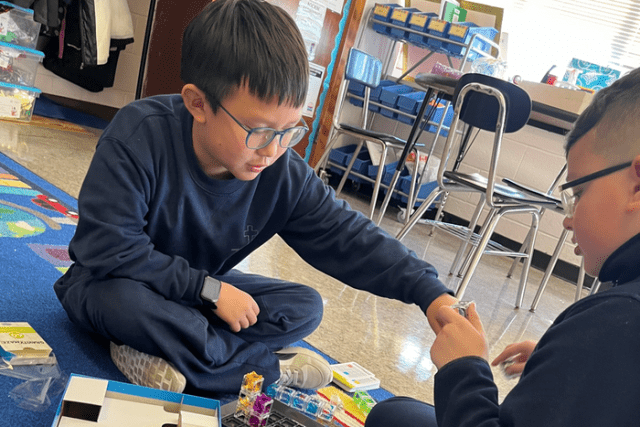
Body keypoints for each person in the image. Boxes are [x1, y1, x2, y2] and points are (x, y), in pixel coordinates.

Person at [53, 0, 456, 397]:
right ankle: (265, 369)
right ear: (198, 103)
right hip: (115, 283)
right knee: (123, 303)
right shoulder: (138, 133)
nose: (274, 149)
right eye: (260, 130)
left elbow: (349, 237)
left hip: (194, 297)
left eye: (290, 131)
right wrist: (208, 291)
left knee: (304, 306)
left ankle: (176, 351)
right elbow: (107, 250)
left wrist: (430, 294)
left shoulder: (279, 169)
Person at [364, 67, 640, 426]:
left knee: (392, 417)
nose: (568, 218)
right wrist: (566, 366)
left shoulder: (616, 320)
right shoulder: (611, 331)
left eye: (579, 192)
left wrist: (464, 369)